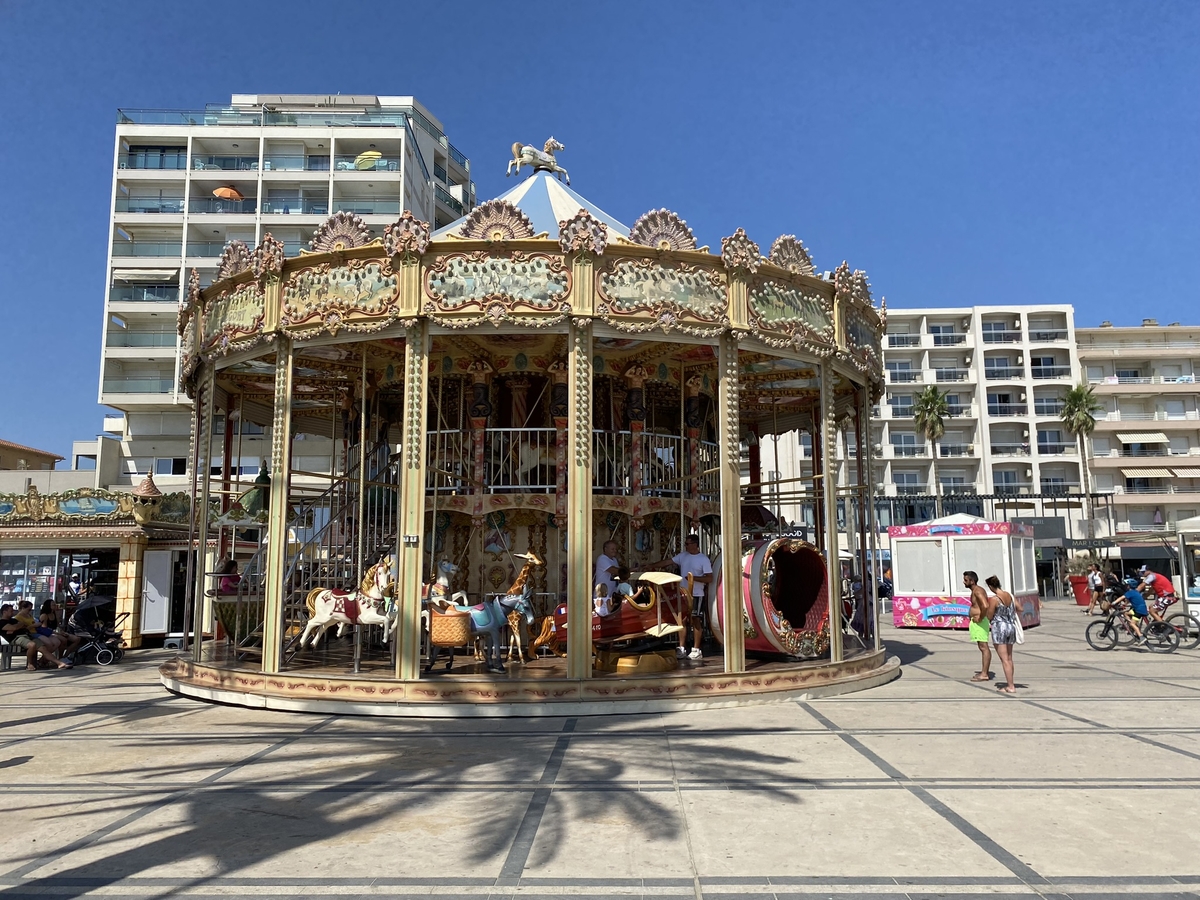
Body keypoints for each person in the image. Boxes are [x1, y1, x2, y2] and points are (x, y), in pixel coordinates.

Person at [659, 535, 712, 660]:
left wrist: (694, 578)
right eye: (685, 544)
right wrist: (650, 566)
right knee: (681, 620)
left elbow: (709, 578)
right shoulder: (683, 556)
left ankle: (696, 649)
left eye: (687, 544)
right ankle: (681, 648)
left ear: (694, 544)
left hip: (696, 594)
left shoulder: (703, 559)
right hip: (683, 593)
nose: (686, 546)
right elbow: (668, 561)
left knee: (695, 619)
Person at [986, 576, 1019, 694]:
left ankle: (1011, 686)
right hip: (1010, 627)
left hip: (999, 628)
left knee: (1004, 659)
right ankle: (1011, 683)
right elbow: (1020, 608)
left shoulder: (995, 599)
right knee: (1009, 658)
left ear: (990, 586)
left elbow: (989, 615)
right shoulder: (1009, 595)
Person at [964, 571, 993, 681]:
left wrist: (980, 617)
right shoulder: (976, 590)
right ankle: (984, 672)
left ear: (972, 581)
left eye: (966, 580)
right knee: (982, 647)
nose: (964, 582)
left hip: (980, 622)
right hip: (977, 622)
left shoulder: (978, 591)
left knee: (984, 647)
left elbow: (985, 605)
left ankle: (984, 674)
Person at [1120, 577, 1149, 643]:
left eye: (1126, 585)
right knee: (1126, 613)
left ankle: (1141, 637)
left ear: (1128, 586)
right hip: (1139, 609)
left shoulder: (1129, 592)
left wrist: (1114, 603)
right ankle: (1132, 626)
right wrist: (1124, 605)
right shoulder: (1135, 592)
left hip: (1139, 610)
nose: (1125, 587)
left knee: (1132, 624)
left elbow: (1122, 597)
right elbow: (1128, 600)